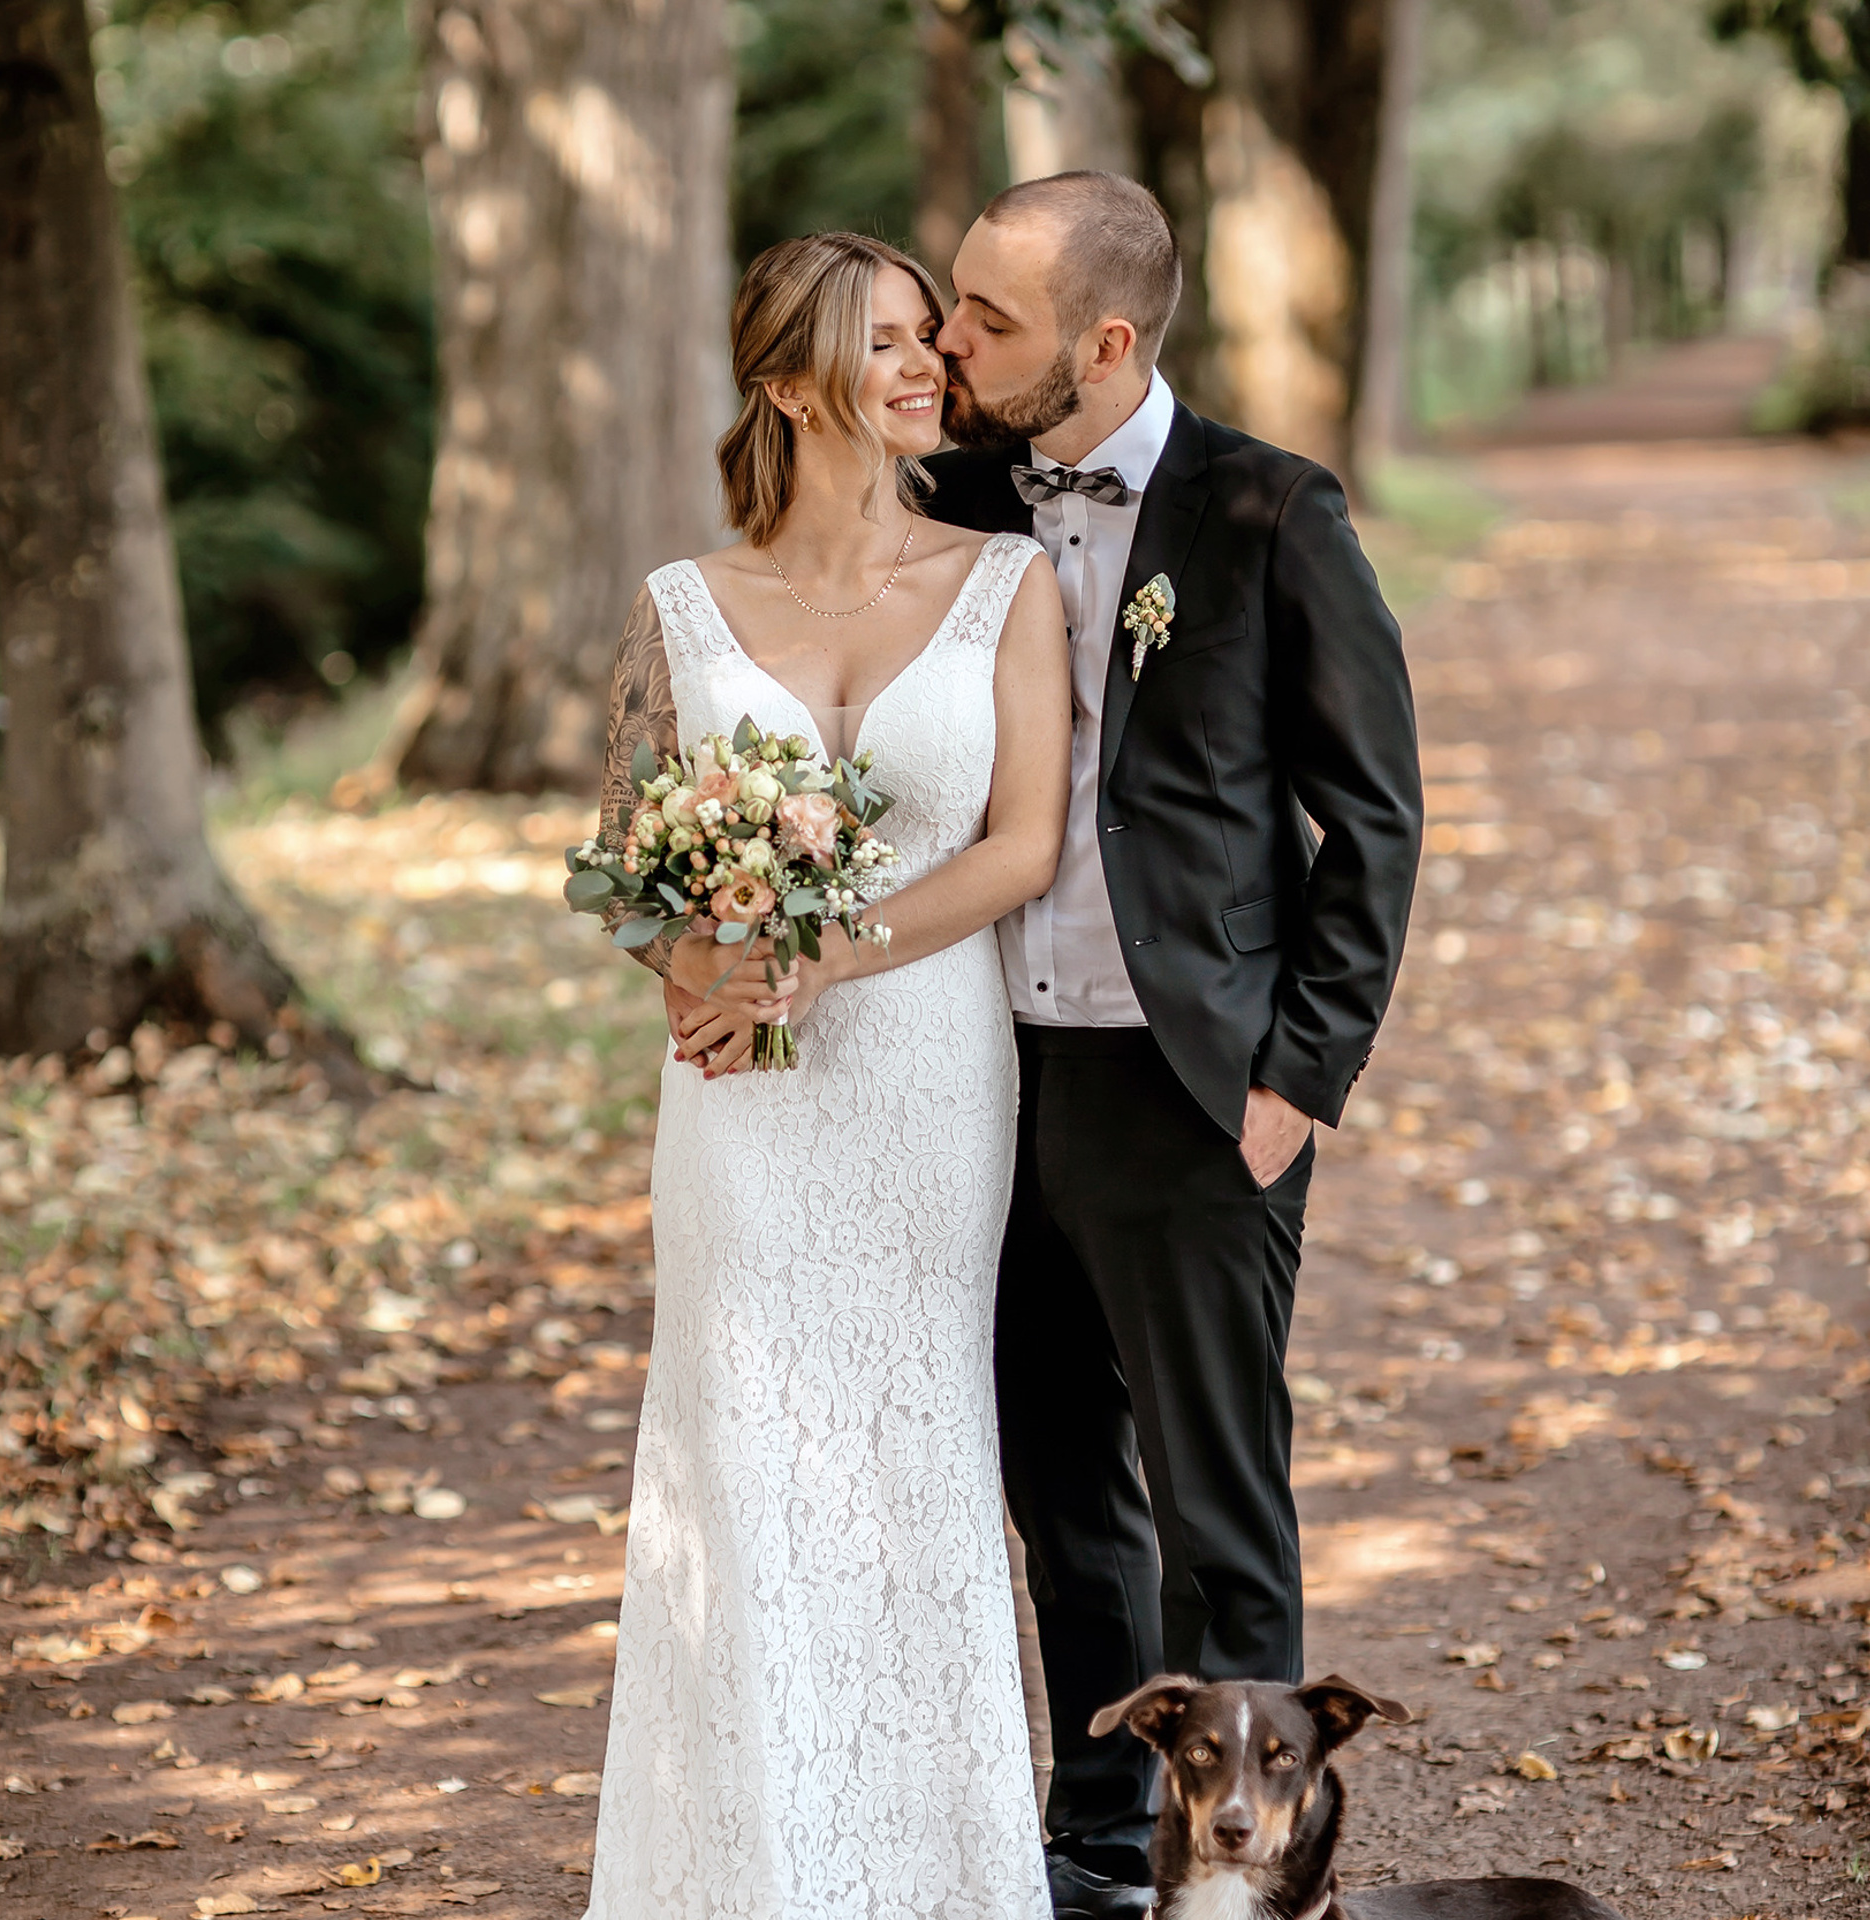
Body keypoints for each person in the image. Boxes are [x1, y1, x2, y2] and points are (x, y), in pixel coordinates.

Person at [922, 172, 1424, 1919]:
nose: (947, 337)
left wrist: (1299, 1077)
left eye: (987, 316)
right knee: (1061, 1489)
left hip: (1192, 1085)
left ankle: (1263, 1884)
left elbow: (1374, 821)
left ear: (1106, 340)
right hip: (983, 1077)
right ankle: (1094, 1847)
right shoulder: (953, 494)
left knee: (1218, 1509)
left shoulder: (1270, 512)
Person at [586, 231, 1070, 1920]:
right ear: (792, 383)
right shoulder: (678, 607)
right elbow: (623, 861)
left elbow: (1019, 846)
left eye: (934, 338)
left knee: (915, 1445)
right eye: (887, 342)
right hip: (743, 1111)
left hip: (934, 1083)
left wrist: (828, 952)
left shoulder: (1009, 581)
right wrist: (694, 971)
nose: (929, 365)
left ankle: (936, 1880)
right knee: (739, 1444)